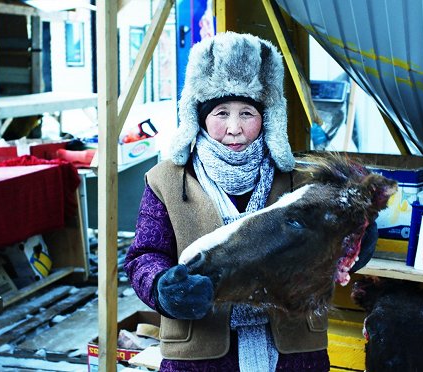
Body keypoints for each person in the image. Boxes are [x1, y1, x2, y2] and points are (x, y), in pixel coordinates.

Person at [124, 31, 377, 372]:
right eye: (221, 113)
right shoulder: (167, 179)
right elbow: (144, 256)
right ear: (199, 116)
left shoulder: (300, 179)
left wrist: (356, 239)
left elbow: (333, 248)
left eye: (246, 113)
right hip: (203, 353)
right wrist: (163, 287)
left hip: (292, 350)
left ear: (267, 117)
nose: (234, 128)